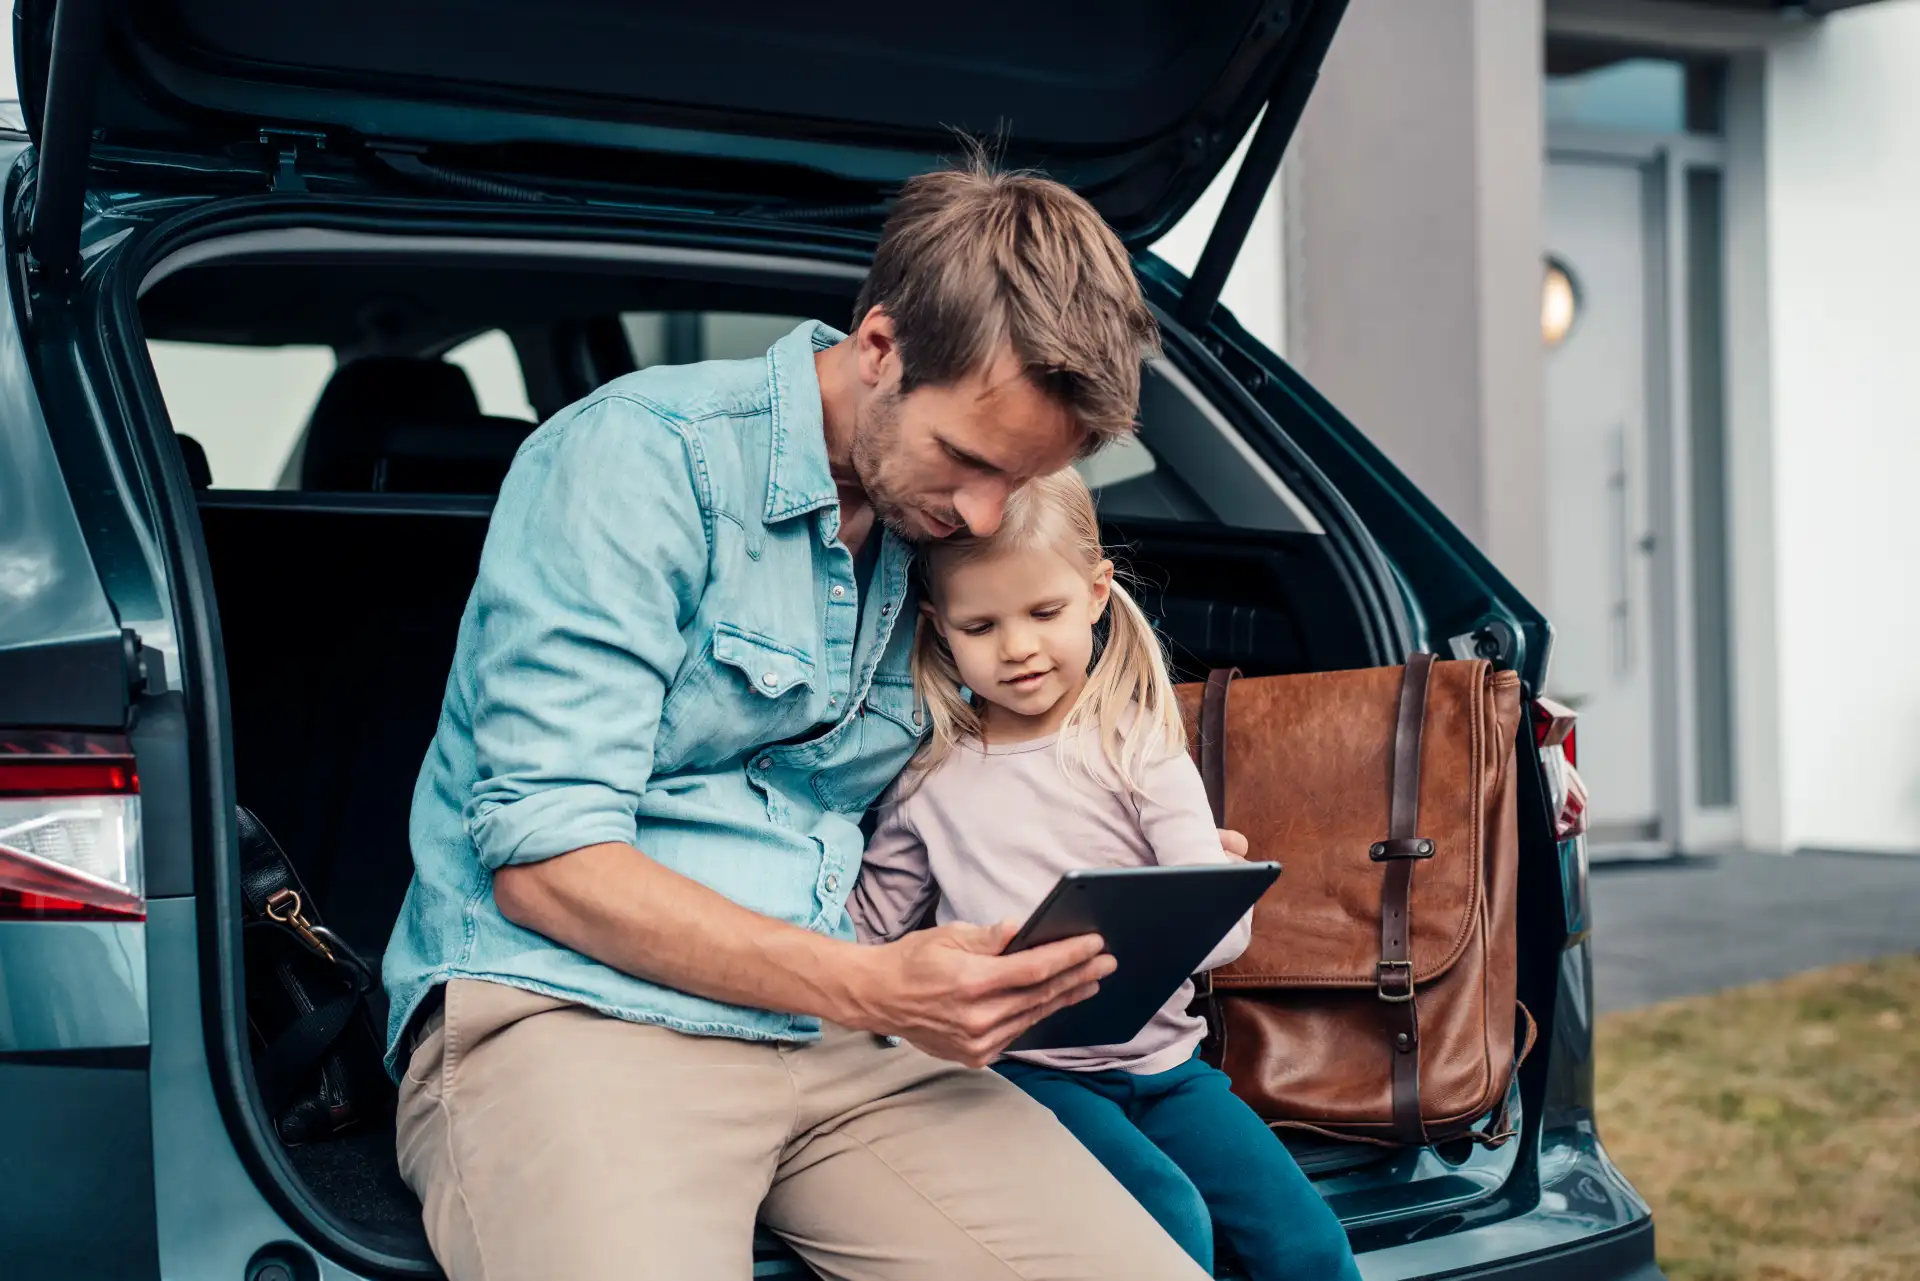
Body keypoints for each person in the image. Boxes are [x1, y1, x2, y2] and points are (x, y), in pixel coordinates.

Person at [382, 158, 1239, 1281]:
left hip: (841, 1035)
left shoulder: (935, 531)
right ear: (879, 346)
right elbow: (545, 862)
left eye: (1016, 482)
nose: (978, 516)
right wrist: (874, 985)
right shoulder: (637, 458)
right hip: (572, 1015)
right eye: (970, 461)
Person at [849, 469, 1363, 1281]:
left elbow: (1223, 931)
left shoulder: (1139, 748)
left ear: (1095, 594)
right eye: (981, 625)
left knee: (1307, 1244)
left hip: (1167, 1067)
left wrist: (1197, 893)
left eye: (1043, 613)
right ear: (938, 628)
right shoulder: (930, 779)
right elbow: (868, 933)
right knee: (1169, 1223)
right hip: (1023, 1075)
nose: (1017, 646)